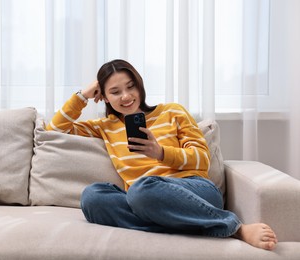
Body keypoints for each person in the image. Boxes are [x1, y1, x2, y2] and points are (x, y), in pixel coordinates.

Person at [46, 59, 277, 250]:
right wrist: (82, 95)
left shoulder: (172, 112)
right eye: (115, 92)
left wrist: (161, 153)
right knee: (92, 197)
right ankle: (184, 224)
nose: (126, 96)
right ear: (104, 97)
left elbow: (201, 158)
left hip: (193, 189)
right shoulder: (104, 127)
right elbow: (54, 130)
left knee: (141, 189)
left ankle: (234, 228)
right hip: (145, 200)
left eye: (130, 87)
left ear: (140, 86)